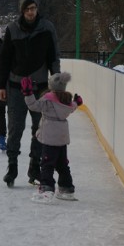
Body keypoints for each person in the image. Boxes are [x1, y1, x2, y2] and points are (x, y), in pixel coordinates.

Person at [0, 0, 60, 187]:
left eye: (33, 8)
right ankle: (12, 167)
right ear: (22, 11)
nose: (31, 12)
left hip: (40, 88)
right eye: (27, 9)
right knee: (15, 129)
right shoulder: (12, 29)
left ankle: (35, 167)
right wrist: (1, 85)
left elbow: (53, 57)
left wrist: (55, 83)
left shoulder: (47, 28)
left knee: (39, 130)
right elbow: (5, 59)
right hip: (16, 88)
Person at [20, 72, 82, 203]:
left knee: (47, 164)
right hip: (62, 138)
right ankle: (67, 189)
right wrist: (77, 102)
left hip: (49, 137)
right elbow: (72, 107)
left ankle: (46, 189)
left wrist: (28, 93)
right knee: (62, 164)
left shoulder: (48, 99)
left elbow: (33, 106)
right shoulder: (67, 100)